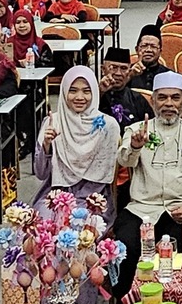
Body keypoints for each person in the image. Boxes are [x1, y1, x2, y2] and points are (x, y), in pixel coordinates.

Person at [110, 72, 182, 286]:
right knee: (125, 247)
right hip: (142, 208)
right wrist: (135, 146)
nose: (169, 104)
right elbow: (124, 160)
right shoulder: (136, 130)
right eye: (162, 97)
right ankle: (126, 300)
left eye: (175, 98)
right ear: (153, 101)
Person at [33, 64, 121, 209]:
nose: (79, 97)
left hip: (93, 197)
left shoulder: (108, 126)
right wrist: (47, 146)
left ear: (94, 93)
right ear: (64, 92)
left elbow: (102, 177)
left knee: (81, 221)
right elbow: (41, 174)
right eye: (72, 91)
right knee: (45, 220)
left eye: (86, 91)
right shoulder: (53, 122)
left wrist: (75, 205)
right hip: (55, 194)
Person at [95, 47, 155, 128]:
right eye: (114, 67)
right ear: (103, 69)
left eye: (123, 68)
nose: (118, 73)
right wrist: (99, 93)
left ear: (129, 71)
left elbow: (151, 127)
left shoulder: (137, 99)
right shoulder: (92, 96)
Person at [127, 26, 167, 90]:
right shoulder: (126, 73)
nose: (148, 50)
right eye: (144, 46)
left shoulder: (168, 75)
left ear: (160, 51)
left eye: (153, 46)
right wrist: (130, 76)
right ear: (137, 50)